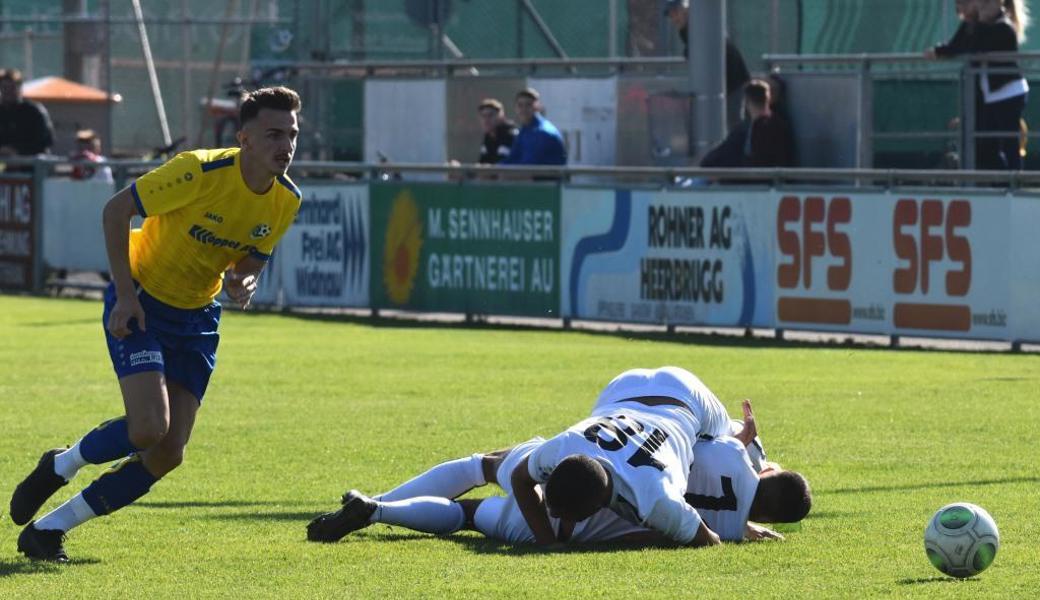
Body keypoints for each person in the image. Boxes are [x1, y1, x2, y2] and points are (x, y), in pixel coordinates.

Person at [9, 86, 303, 562]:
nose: (285, 145)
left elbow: (253, 258)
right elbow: (115, 211)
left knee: (168, 453)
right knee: (148, 428)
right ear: (244, 138)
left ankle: (48, 530)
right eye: (274, 134)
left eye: (291, 134)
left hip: (199, 318)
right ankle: (62, 465)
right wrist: (125, 295)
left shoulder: (286, 200)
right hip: (143, 301)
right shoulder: (198, 170)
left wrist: (245, 281)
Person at [305, 406, 811, 546]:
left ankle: (378, 505)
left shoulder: (715, 450)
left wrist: (743, 439)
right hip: (581, 515)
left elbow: (712, 440)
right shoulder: (667, 500)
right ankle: (380, 511)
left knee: (476, 468)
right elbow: (675, 528)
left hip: (577, 459)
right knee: (468, 516)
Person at [929, 0, 1030, 170]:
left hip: (1009, 93)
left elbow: (976, 47)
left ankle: (1013, 183)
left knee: (1008, 142)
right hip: (989, 95)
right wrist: (938, 51)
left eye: (987, 4)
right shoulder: (974, 26)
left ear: (999, 5)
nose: (983, 9)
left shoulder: (1004, 28)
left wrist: (977, 23)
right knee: (984, 143)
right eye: (981, 4)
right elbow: (956, 45)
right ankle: (996, 182)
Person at [664, 0, 750, 128]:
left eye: (676, 12)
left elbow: (705, 50)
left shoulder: (698, 25)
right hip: (726, 82)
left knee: (734, 125)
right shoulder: (689, 29)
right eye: (671, 14)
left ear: (686, 10)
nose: (673, 18)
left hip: (733, 81)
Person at [700, 80, 795, 169]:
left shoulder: (752, 128)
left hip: (752, 180)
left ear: (747, 101)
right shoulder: (777, 123)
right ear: (768, 98)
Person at [500, 88, 567, 167]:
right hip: (530, 176)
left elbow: (529, 168)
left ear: (537, 107)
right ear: (516, 108)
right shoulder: (525, 130)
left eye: (528, 105)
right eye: (520, 105)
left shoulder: (542, 132)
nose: (524, 109)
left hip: (547, 178)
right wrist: (491, 169)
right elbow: (513, 158)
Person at [0, 68, 55, 159]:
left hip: (31, 166)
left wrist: (17, 150)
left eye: (12, 87)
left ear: (20, 88)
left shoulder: (34, 111)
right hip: (5, 166)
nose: (8, 91)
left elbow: (46, 141)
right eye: (4, 87)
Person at [477, 98, 518, 165]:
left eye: (490, 115)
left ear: (501, 116)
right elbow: (483, 161)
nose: (486, 120)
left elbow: (502, 164)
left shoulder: (509, 134)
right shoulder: (488, 136)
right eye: (483, 116)